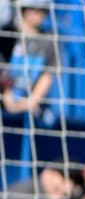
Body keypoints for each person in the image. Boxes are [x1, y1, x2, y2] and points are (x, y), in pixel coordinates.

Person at [0, 0, 63, 129]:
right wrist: (7, 96)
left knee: (48, 121)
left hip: (32, 104)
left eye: (43, 10)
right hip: (5, 97)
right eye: (34, 8)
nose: (39, 13)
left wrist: (31, 101)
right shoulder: (7, 34)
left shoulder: (49, 39)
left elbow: (48, 75)